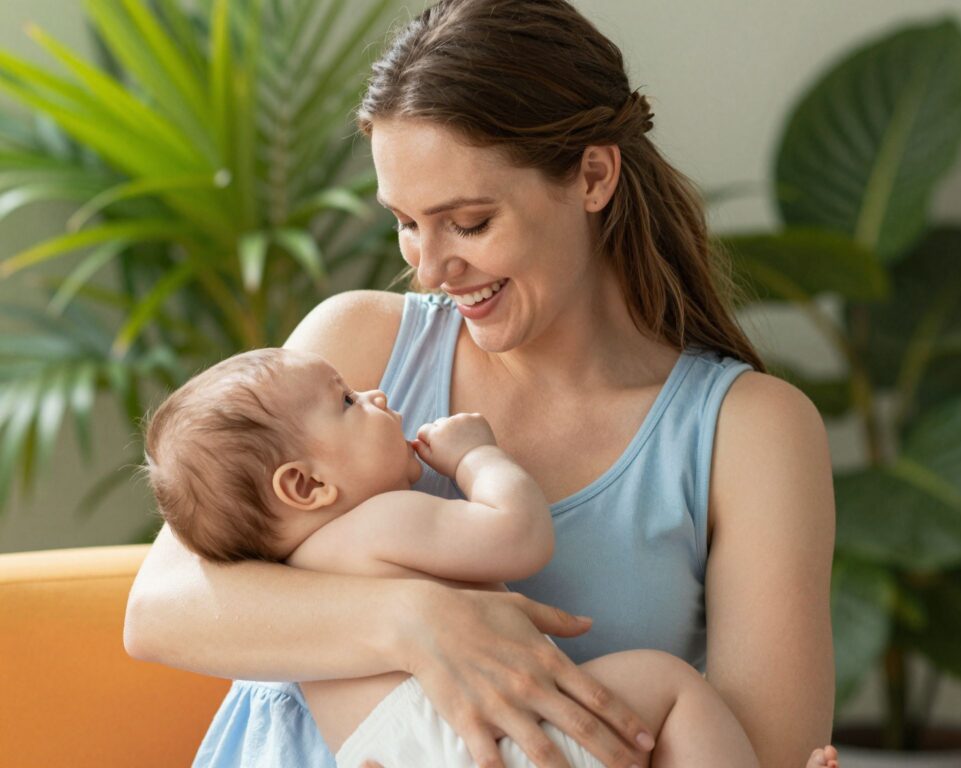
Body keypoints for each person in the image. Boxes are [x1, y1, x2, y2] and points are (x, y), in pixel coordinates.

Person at [124, 1, 838, 766]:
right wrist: (418, 619)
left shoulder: (747, 431)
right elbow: (160, 612)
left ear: (593, 175)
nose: (429, 268)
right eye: (404, 222)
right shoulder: (357, 344)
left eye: (466, 223)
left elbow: (768, 750)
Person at [139, 346, 841, 768]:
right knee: (669, 686)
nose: (378, 393)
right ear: (307, 484)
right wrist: (477, 457)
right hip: (479, 737)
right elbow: (516, 536)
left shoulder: (294, 570)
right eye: (349, 402)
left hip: (399, 749)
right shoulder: (382, 521)